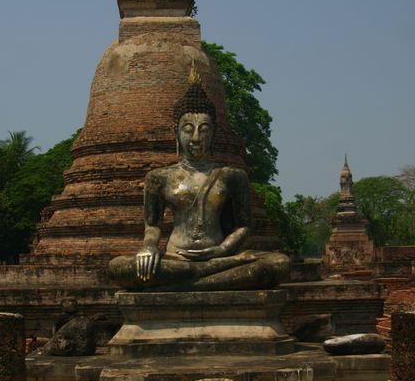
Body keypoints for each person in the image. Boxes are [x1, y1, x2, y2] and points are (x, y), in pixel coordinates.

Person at [109, 67, 290, 291]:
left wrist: (222, 250)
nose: (196, 138)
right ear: (176, 133)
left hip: (219, 259)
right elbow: (153, 225)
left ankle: (186, 282)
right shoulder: (159, 177)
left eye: (204, 130)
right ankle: (205, 280)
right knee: (119, 267)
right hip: (176, 259)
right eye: (188, 129)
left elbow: (243, 226)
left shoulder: (232, 176)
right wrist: (148, 248)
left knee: (279, 263)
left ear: (213, 133)